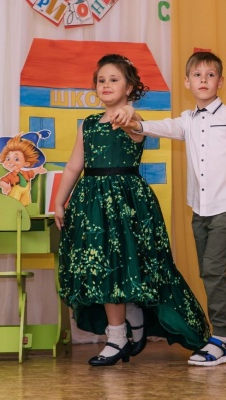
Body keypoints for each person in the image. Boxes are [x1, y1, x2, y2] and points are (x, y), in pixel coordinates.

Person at [111, 51, 226, 366]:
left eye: (210, 75)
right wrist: (133, 120)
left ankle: (221, 339)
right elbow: (160, 127)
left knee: (212, 270)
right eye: (197, 75)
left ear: (220, 81)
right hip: (200, 206)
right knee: (211, 271)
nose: (203, 80)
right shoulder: (188, 120)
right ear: (187, 82)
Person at [53, 54, 210, 367]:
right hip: (93, 206)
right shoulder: (88, 125)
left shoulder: (132, 120)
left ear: (129, 88)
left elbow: (131, 120)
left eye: (114, 80)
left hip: (126, 204)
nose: (106, 85)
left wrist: (128, 113)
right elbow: (73, 166)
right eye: (101, 80)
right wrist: (59, 200)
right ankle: (127, 324)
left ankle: (119, 336)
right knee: (104, 268)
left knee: (124, 266)